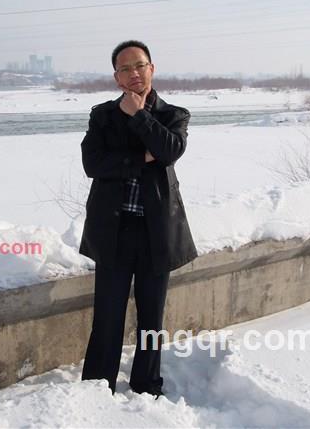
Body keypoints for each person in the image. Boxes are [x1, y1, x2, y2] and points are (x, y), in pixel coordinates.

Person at [78, 40, 198, 398]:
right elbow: (92, 164)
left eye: (139, 65)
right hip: (113, 231)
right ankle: (97, 387)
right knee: (107, 317)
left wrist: (140, 116)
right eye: (125, 68)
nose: (134, 73)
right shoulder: (102, 115)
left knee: (151, 319)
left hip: (155, 232)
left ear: (152, 69)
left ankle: (147, 386)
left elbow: (170, 150)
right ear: (117, 77)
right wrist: (141, 158)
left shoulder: (173, 115)